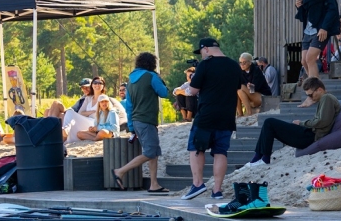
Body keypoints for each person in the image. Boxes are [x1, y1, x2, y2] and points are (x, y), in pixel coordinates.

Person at [179, 39, 244, 199]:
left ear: (206, 49)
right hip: (227, 116)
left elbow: (193, 91)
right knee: (220, 152)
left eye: (201, 52)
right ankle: (217, 190)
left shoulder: (205, 65)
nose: (201, 55)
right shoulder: (234, 65)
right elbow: (237, 88)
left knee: (196, 147)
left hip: (206, 115)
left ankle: (198, 183)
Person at [242, 78, 340, 168]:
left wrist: (301, 123)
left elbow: (322, 121)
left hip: (311, 136)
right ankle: (257, 158)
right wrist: (313, 100)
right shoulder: (325, 99)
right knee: (269, 124)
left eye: (310, 95)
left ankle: (263, 158)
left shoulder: (327, 98)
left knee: (269, 122)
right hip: (309, 133)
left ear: (319, 90)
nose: (309, 97)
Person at [113, 52, 170, 194]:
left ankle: (154, 184)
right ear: (152, 64)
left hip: (137, 121)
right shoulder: (151, 76)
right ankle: (120, 171)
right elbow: (164, 93)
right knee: (150, 152)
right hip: (147, 120)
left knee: (153, 152)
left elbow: (129, 106)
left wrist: (131, 126)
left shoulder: (130, 81)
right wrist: (160, 79)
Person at [292, 0, 340, 99]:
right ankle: (317, 90)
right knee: (303, 61)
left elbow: (332, 8)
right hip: (308, 29)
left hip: (320, 29)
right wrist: (299, 6)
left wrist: (325, 27)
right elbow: (305, 12)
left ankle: (314, 93)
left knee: (310, 58)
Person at [237, 52, 272, 116]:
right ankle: (240, 114)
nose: (242, 64)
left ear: (250, 62)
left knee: (241, 87)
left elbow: (256, 87)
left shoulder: (256, 70)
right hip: (250, 95)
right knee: (238, 90)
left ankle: (249, 113)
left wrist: (249, 86)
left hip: (262, 96)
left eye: (244, 62)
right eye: (240, 62)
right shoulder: (240, 71)